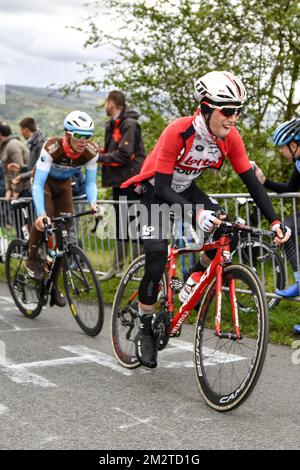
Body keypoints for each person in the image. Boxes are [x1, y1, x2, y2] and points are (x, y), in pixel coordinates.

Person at [122, 70, 291, 368]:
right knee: (157, 257)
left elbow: (251, 182)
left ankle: (190, 282)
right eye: (227, 111)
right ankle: (146, 327)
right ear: (206, 106)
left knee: (229, 232)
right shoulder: (178, 131)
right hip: (152, 193)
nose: (234, 118)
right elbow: (162, 187)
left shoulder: (230, 138)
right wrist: (196, 214)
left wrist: (275, 221)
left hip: (186, 189)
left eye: (238, 111)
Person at [26, 110, 99, 307]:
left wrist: (93, 203)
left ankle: (55, 286)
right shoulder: (52, 147)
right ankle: (32, 258)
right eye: (79, 136)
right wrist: (41, 214)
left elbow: (91, 183)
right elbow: (38, 184)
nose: (84, 141)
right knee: (46, 220)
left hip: (64, 185)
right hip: (44, 183)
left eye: (88, 136)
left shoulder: (91, 151)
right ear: (67, 134)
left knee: (63, 237)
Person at [253, 118, 300, 333]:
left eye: (283, 147)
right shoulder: (298, 163)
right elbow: (290, 188)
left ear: (294, 145)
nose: (281, 151)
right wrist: (264, 182)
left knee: (288, 227)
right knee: (287, 229)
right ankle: (299, 280)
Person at [98, 90, 145, 279]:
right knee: (121, 224)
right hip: (118, 181)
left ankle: (135, 268)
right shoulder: (113, 124)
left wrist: (98, 158)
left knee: (135, 225)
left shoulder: (130, 124)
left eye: (105, 101)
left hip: (132, 181)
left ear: (112, 103)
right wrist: (98, 153)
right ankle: (116, 268)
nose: (104, 105)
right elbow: (113, 150)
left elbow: (125, 155)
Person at [8, 117, 45, 186]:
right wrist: (20, 168)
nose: (21, 133)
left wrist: (21, 177)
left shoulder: (40, 144)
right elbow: (34, 166)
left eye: (21, 130)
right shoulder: (34, 143)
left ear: (26, 130)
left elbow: (41, 169)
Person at [0, 122, 30, 199]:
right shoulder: (4, 147)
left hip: (25, 190)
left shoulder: (12, 145)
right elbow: (7, 171)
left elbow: (18, 169)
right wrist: (8, 189)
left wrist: (16, 191)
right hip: (17, 191)